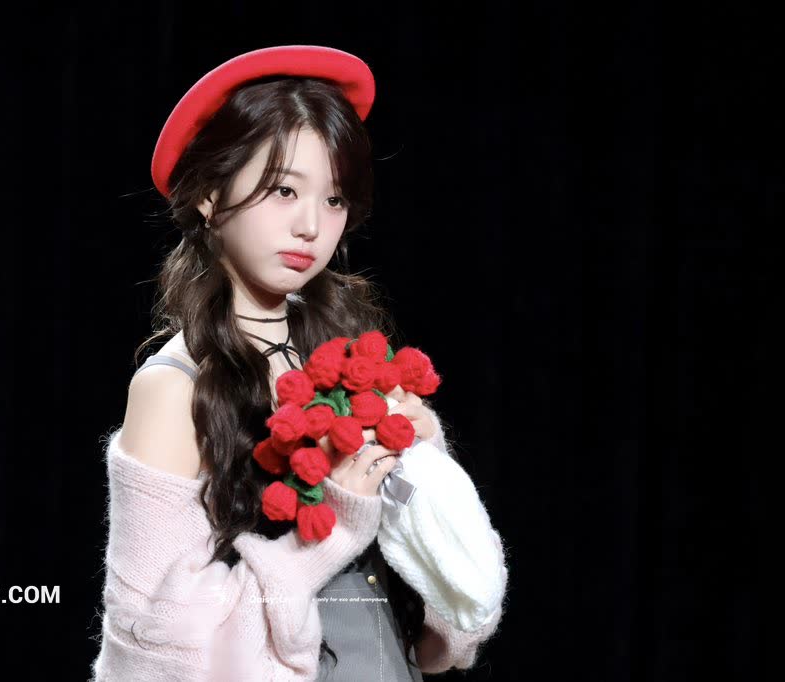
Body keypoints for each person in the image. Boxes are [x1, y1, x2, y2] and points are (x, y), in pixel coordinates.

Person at [90, 45, 506, 681]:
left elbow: (444, 617)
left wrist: (425, 468)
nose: (311, 225)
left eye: (334, 199)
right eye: (284, 190)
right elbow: (151, 653)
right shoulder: (176, 387)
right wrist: (334, 531)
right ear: (209, 193)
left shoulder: (345, 356)